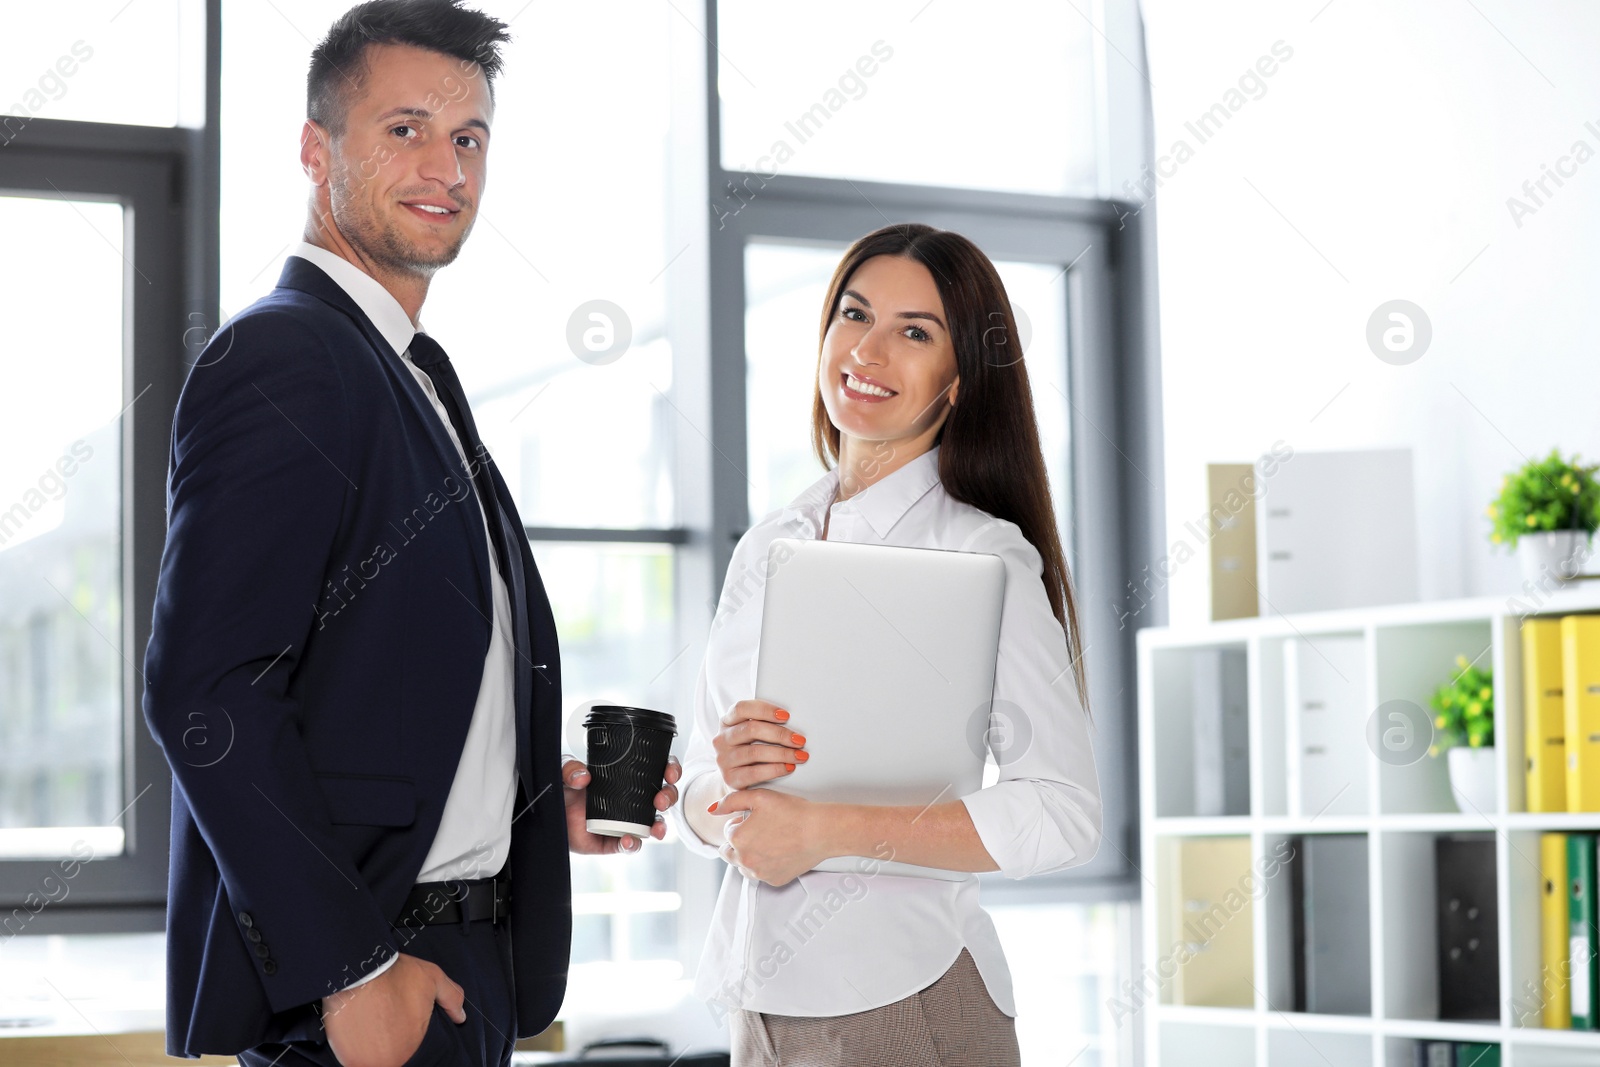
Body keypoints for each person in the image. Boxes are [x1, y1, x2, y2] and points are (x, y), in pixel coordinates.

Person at [141, 3, 679, 1064]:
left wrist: (521, 800)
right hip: (366, 975)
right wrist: (352, 969)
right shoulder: (289, 357)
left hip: (459, 965)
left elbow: (375, 688)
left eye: (468, 137)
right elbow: (204, 690)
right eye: (404, 129)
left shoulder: (409, 371)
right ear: (314, 149)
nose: (447, 166)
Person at [664, 223, 1103, 1066]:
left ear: (957, 383)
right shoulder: (770, 543)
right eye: (854, 314)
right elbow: (707, 786)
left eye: (914, 332)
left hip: (907, 1002)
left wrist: (827, 828)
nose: (868, 349)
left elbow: (1063, 811)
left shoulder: (983, 558)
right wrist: (720, 809)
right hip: (756, 1005)